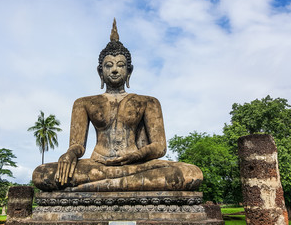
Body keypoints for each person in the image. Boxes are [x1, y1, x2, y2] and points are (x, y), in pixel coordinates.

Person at [32, 19, 203, 192]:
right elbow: (78, 146)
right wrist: (70, 154)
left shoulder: (148, 102)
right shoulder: (83, 103)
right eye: (109, 65)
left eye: (120, 65)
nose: (114, 70)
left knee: (190, 173)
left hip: (135, 165)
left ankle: (93, 187)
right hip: (97, 165)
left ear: (129, 71)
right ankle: (114, 184)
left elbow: (159, 146)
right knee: (41, 174)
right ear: (100, 71)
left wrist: (136, 155)